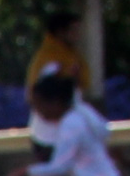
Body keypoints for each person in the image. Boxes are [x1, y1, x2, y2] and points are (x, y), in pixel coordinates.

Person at [26, 73, 120, 176]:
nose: (38, 112)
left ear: (55, 102)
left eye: (39, 105)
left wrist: (28, 173)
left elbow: (61, 167)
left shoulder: (71, 124)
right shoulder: (81, 114)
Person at [28, 11, 88, 162]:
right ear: (61, 32)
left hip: (67, 134)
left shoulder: (70, 56)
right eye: (73, 31)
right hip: (49, 136)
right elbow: (36, 95)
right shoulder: (50, 59)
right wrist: (54, 118)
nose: (78, 35)